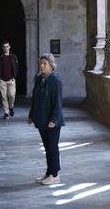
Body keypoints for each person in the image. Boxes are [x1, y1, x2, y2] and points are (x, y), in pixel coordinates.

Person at [28, 53, 64, 185]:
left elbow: (58, 102)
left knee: (52, 147)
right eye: (41, 63)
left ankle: (55, 175)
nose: (42, 66)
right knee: (47, 147)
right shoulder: (39, 79)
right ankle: (49, 173)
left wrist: (54, 120)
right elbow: (35, 99)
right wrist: (32, 115)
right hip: (41, 119)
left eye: (45, 64)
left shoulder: (55, 80)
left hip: (52, 121)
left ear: (51, 65)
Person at [0, 41, 18, 119]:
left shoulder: (13, 57)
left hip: (11, 80)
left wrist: (14, 77)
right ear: (2, 48)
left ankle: (11, 107)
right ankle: (6, 112)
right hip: (2, 80)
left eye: (7, 46)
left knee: (11, 95)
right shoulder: (0, 58)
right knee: (4, 97)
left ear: (9, 47)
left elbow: (16, 67)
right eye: (4, 47)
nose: (5, 48)